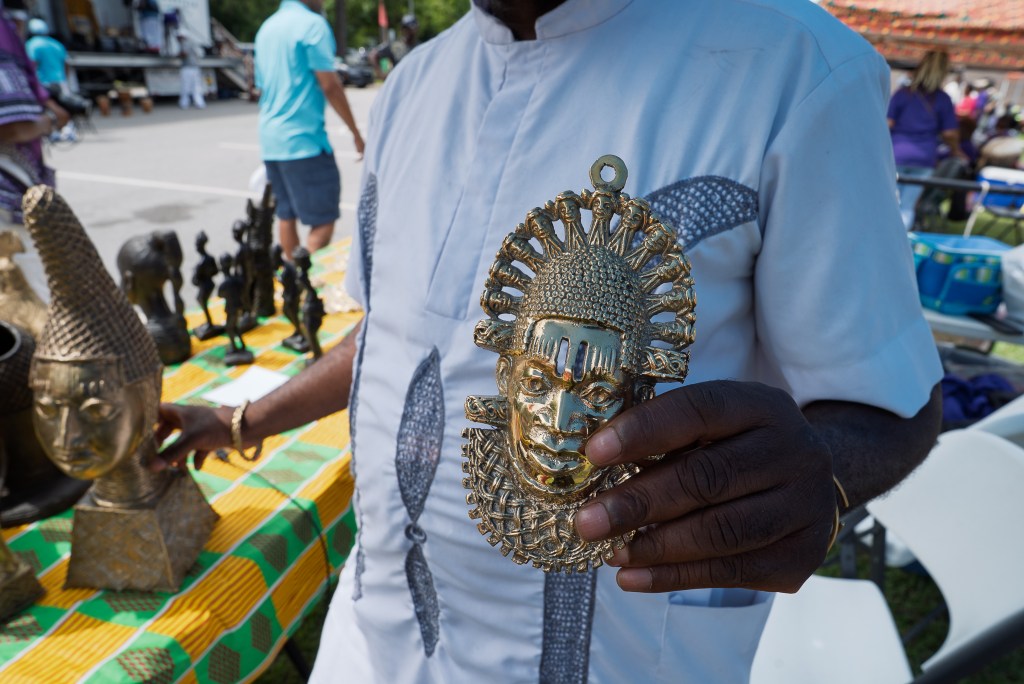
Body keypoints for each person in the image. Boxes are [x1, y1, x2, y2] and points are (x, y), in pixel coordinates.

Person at [156, 1, 943, 682]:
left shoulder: (793, 69)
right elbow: (395, 335)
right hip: (374, 646)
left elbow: (889, 398)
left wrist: (823, 480)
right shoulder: (412, 88)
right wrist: (241, 421)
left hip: (625, 660)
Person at [253, 0, 364, 260]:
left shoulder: (266, 29)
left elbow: (261, 86)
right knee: (323, 221)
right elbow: (330, 85)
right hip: (304, 141)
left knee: (286, 214)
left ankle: (289, 284)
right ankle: (301, 282)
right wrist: (356, 133)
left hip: (271, 140)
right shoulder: (312, 26)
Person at [0, 3, 69, 300]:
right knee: (33, 301)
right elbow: (13, 127)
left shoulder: (25, 38)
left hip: (17, 189)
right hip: (8, 192)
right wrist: (52, 119)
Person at [887, 50, 963, 230]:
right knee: (906, 206)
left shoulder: (903, 94)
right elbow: (950, 133)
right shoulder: (943, 99)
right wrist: (956, 150)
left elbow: (887, 123)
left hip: (896, 153)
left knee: (888, 204)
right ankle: (901, 247)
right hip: (924, 158)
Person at [369, 13, 419, 80]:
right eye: (405, 28)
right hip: (400, 84)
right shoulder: (394, 45)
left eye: (410, 29)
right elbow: (373, 55)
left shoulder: (420, 47)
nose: (408, 31)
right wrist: (382, 74)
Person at [176, 29, 205, 109]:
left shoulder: (184, 43)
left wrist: (178, 55)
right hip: (195, 67)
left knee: (185, 86)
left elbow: (184, 53)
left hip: (187, 68)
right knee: (196, 87)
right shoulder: (193, 43)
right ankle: (199, 103)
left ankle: (184, 103)